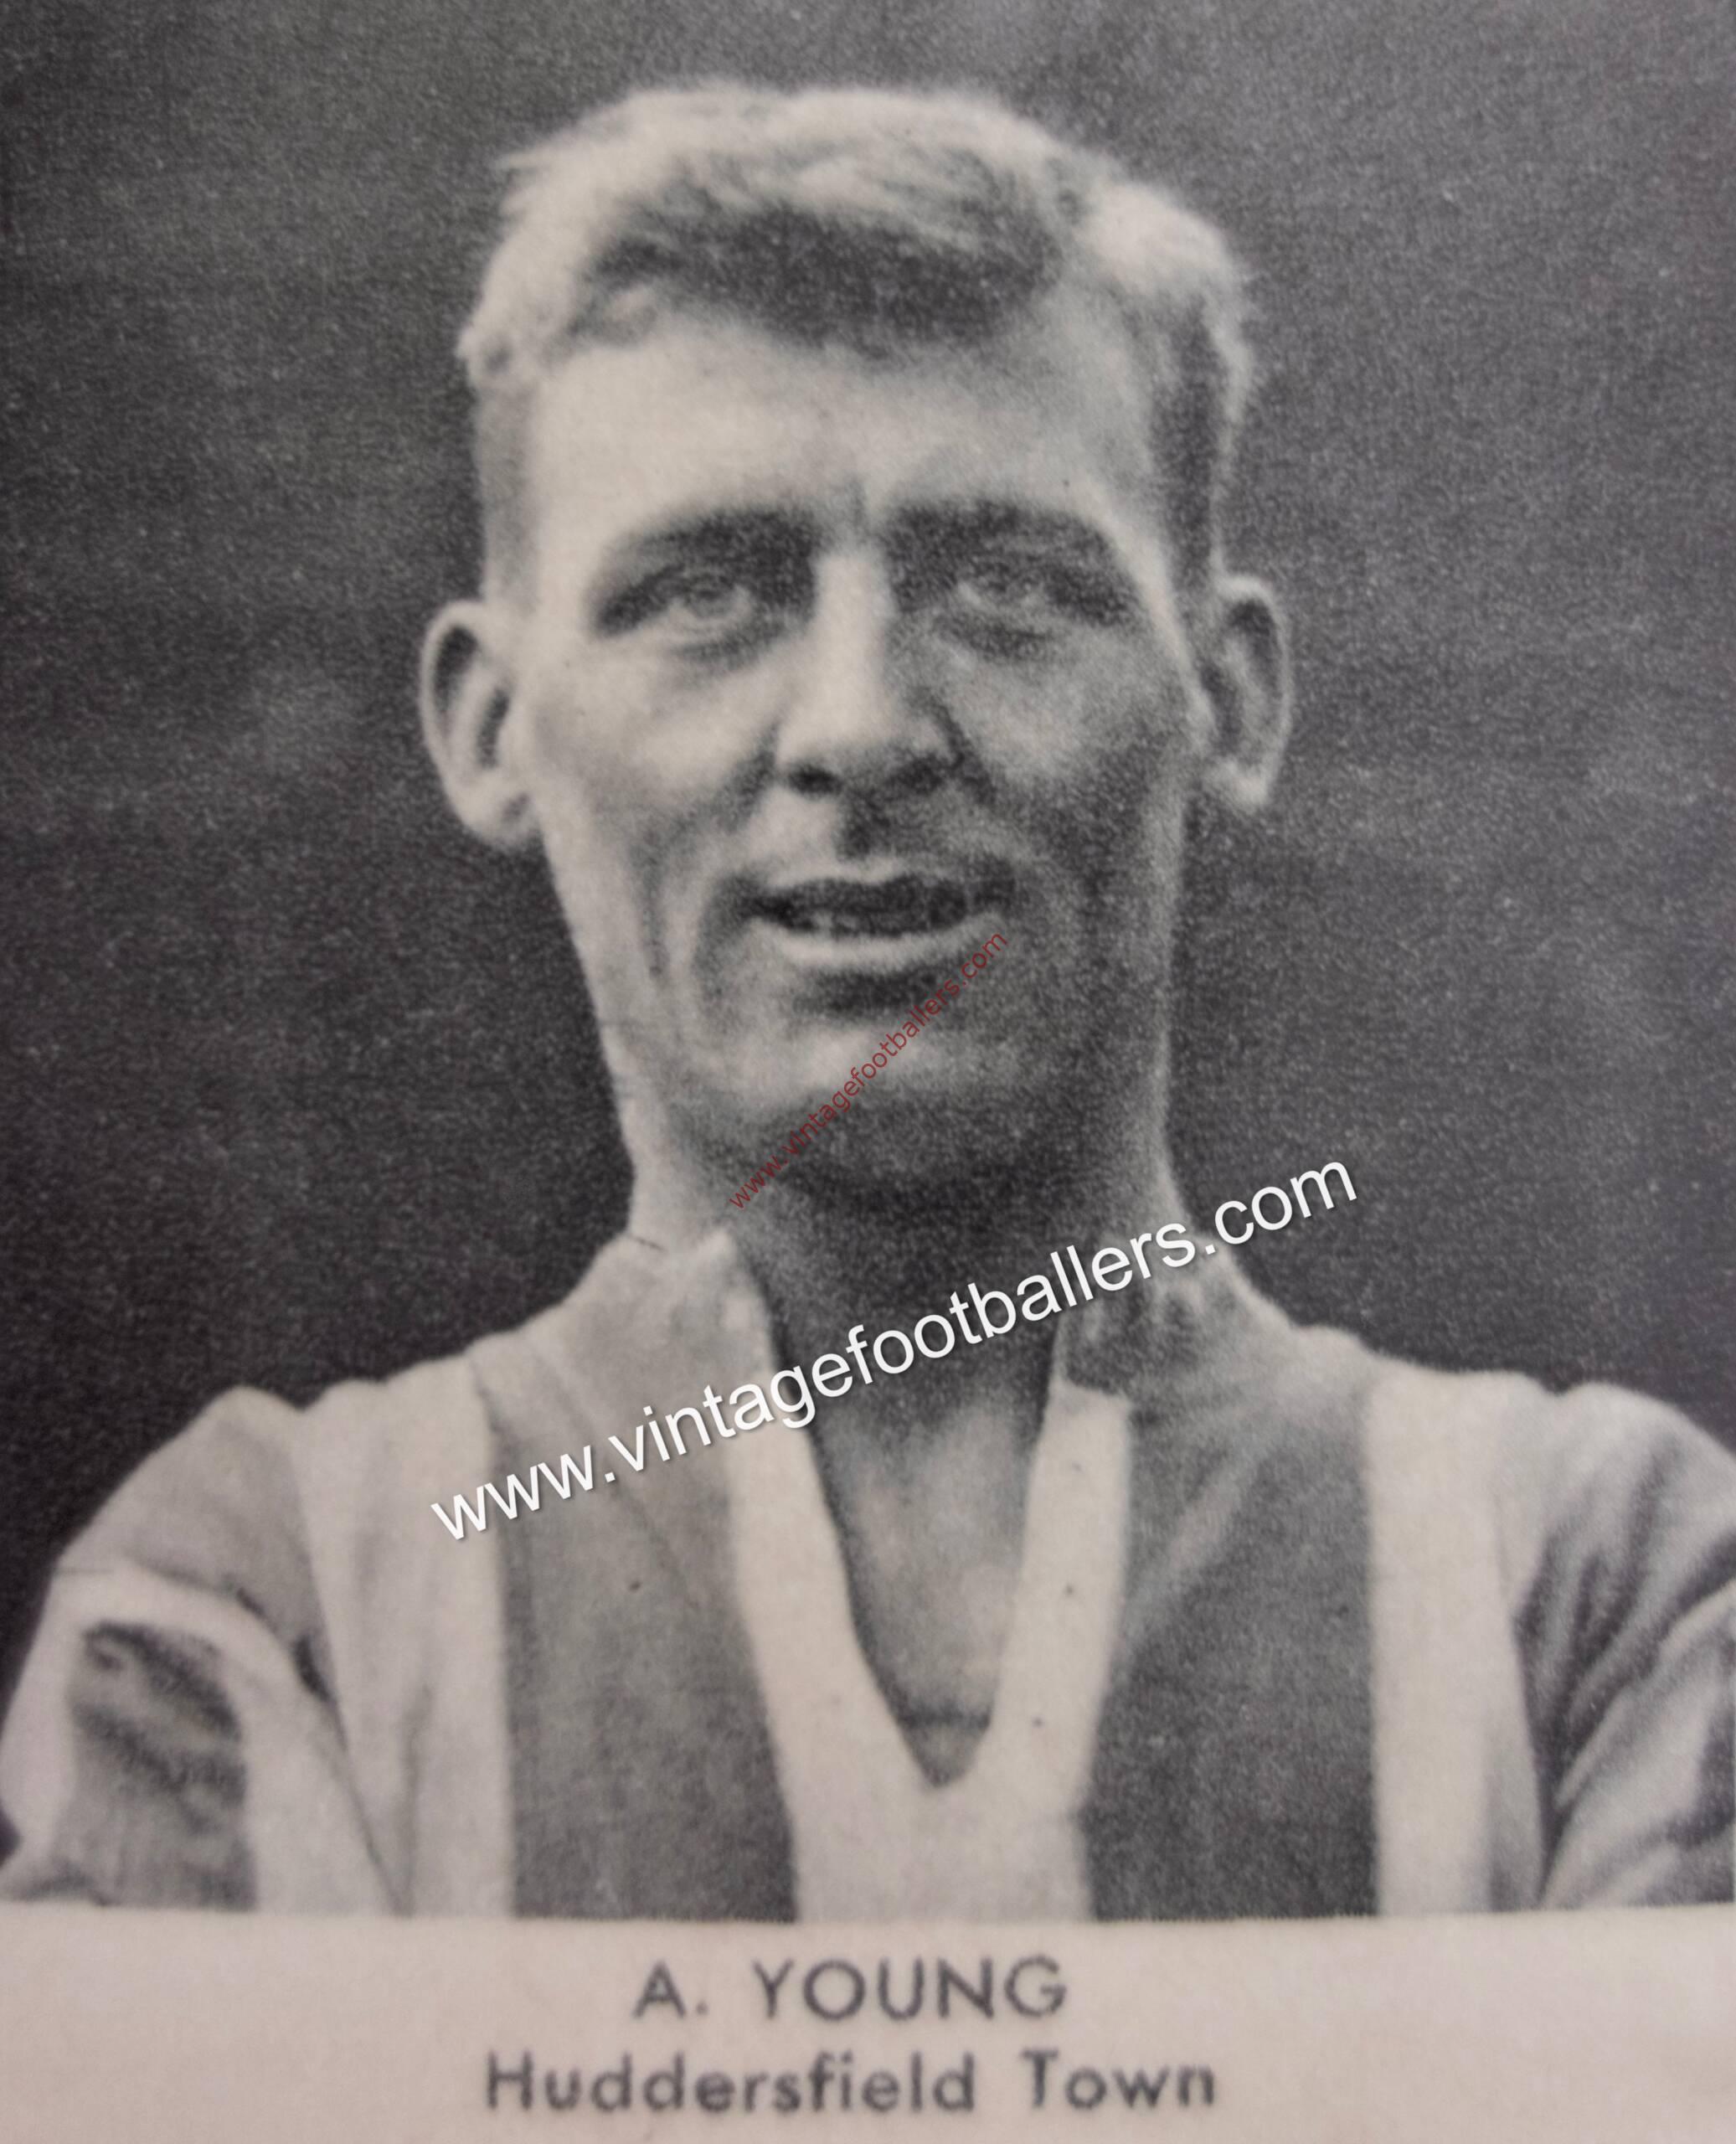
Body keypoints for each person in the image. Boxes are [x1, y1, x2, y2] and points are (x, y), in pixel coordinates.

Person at [3, 82, 1732, 1920]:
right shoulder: (270, 1600)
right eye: (706, 593)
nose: (859, 727)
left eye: (1007, 587)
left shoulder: (1597, 1593)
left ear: (1223, 698)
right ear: (492, 727)